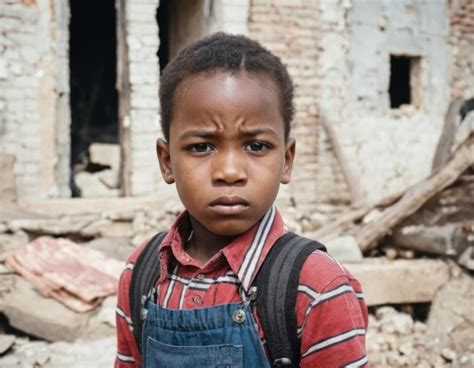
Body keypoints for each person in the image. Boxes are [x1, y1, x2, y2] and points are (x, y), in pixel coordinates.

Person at [115, 32, 368, 368]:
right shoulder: (143, 274)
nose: (230, 171)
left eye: (256, 146)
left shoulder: (316, 288)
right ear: (166, 161)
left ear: (287, 160)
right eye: (201, 147)